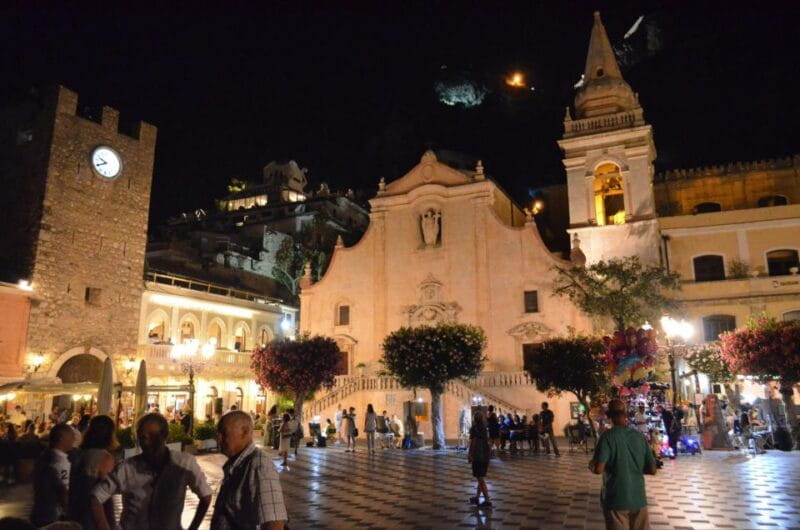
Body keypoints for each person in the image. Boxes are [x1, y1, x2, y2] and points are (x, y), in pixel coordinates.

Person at [90, 413, 212, 530]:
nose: (146, 442)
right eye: (142, 438)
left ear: (165, 435)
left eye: (153, 436)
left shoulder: (184, 463)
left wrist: (193, 528)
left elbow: (205, 495)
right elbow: (96, 496)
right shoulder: (127, 468)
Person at [211, 411, 287, 530]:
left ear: (244, 432)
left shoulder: (259, 465)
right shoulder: (236, 464)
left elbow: (274, 524)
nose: (218, 439)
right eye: (218, 433)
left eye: (224, 433)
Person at [589, 399, 657, 530]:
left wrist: (591, 465)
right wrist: (634, 468)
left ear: (609, 416)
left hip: (616, 499)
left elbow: (599, 469)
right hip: (638, 498)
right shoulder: (639, 437)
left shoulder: (607, 437)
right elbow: (653, 469)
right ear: (626, 414)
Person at [69, 415, 118, 530]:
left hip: (76, 511)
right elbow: (101, 497)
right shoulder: (105, 458)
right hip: (93, 518)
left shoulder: (81, 454)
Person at [30, 423, 75, 527]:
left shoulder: (45, 456)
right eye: (71, 436)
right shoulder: (60, 461)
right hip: (53, 516)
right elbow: (64, 491)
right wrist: (70, 514)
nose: (74, 439)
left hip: (40, 512)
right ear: (61, 438)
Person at [468, 410, 492, 507]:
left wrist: (470, 454)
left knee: (480, 478)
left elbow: (473, 442)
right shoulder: (484, 428)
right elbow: (488, 441)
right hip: (485, 455)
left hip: (478, 455)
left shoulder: (474, 428)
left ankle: (487, 500)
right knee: (480, 477)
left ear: (474, 419)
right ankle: (477, 497)